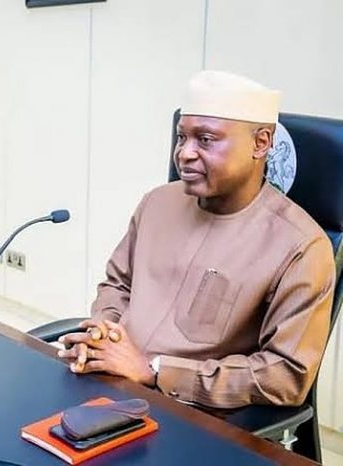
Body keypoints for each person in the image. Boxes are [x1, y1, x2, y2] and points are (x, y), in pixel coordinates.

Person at [57, 71, 335, 409]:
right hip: (109, 384)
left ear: (261, 143)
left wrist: (156, 371)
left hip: (191, 411)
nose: (184, 154)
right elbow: (118, 284)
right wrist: (104, 333)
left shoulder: (301, 247)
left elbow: (285, 375)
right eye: (181, 137)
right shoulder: (157, 202)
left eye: (205, 140)